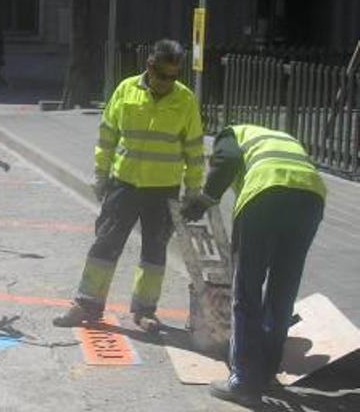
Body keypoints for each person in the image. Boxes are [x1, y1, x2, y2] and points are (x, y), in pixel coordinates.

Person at [52, 39, 205, 333]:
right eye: (162, 76)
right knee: (105, 243)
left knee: (154, 251)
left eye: (174, 77)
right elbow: (108, 134)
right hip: (124, 184)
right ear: (150, 66)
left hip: (164, 190)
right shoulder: (126, 90)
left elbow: (194, 149)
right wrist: (100, 174)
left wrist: (194, 190)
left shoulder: (184, 100)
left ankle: (145, 311)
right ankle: (87, 303)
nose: (167, 83)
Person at [181, 124, 326, 407]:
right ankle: (267, 371)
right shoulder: (283, 137)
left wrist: (206, 199)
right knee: (283, 288)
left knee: (247, 287)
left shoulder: (230, 133)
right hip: (310, 198)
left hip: (265, 194)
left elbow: (227, 160)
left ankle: (244, 381)